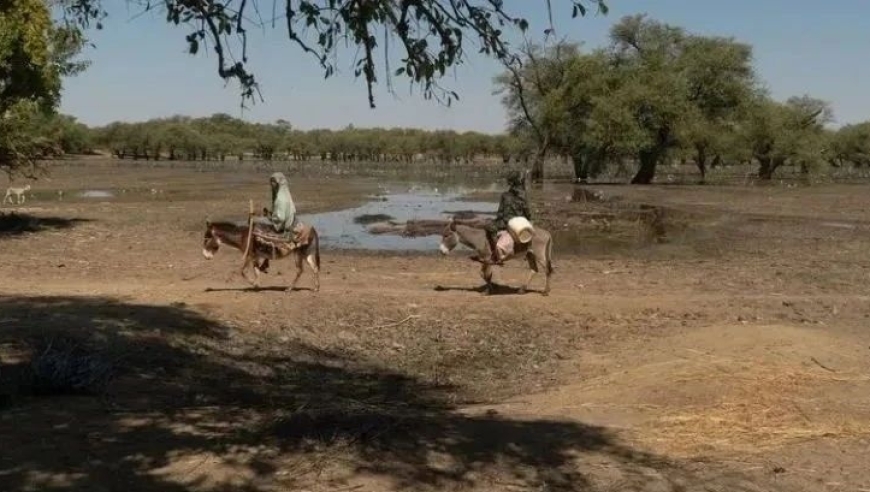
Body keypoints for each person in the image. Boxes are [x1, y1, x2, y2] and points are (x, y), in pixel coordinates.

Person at [484, 170, 532, 265]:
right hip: (521, 222)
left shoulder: (505, 196)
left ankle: (496, 256)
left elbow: (500, 213)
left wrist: (497, 220)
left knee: (489, 226)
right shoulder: (523, 195)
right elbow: (528, 212)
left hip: (507, 222)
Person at [253, 172, 297, 273]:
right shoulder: (284, 195)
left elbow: (280, 218)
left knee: (260, 231)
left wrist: (269, 216)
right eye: (271, 182)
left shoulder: (280, 199)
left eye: (273, 182)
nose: (271, 184)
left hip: (284, 225)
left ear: (278, 183)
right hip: (287, 220)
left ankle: (265, 259)